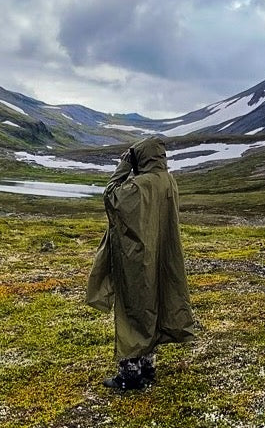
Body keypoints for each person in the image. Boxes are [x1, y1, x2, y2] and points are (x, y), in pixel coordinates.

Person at [87, 136, 195, 390]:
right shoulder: (168, 180)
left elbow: (111, 196)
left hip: (137, 257)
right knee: (156, 303)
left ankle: (130, 374)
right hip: (162, 255)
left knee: (134, 307)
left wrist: (124, 165)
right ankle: (148, 365)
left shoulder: (140, 185)